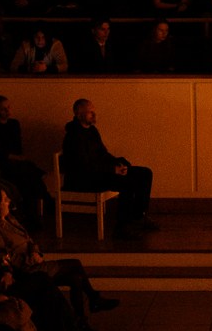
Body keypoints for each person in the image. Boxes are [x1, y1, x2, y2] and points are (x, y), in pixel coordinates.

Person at [61, 98, 153, 235]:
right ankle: (122, 227)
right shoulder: (74, 136)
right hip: (84, 179)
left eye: (94, 111)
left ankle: (139, 217)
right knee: (126, 182)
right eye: (90, 112)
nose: (94, 114)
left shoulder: (92, 131)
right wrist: (112, 170)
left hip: (99, 172)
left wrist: (118, 163)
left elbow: (103, 154)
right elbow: (84, 166)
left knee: (145, 173)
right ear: (79, 114)